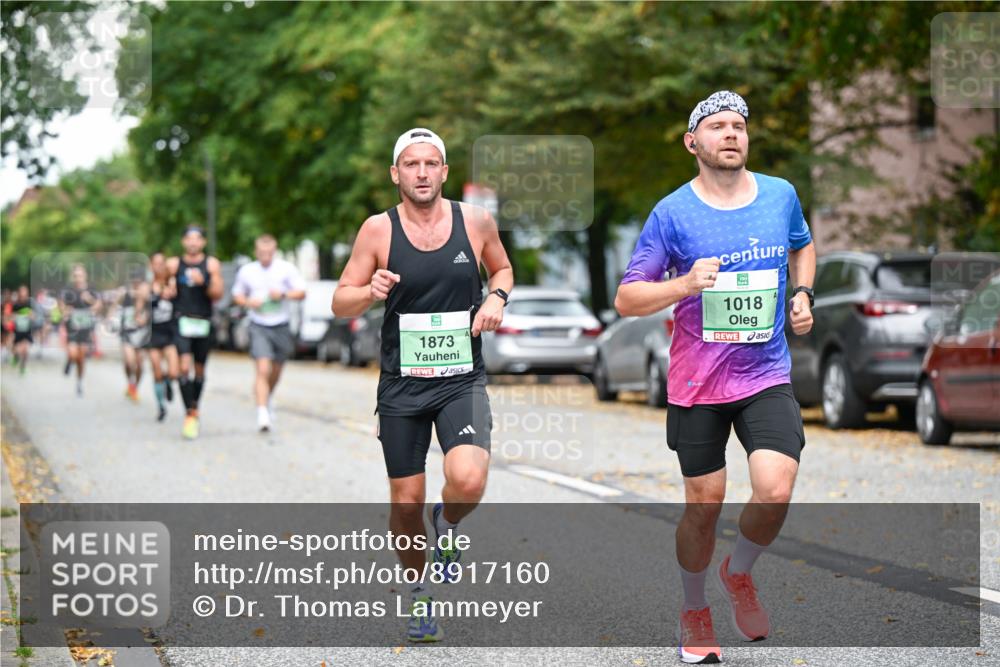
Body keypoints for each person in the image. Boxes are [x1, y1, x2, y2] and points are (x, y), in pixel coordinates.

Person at [615, 91, 816, 664]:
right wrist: (682, 285)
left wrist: (801, 294)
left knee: (775, 488)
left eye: (739, 126)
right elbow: (628, 298)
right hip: (698, 383)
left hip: (765, 372)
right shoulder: (672, 213)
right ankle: (695, 609)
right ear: (692, 142)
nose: (731, 134)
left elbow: (802, 247)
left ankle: (740, 572)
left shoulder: (780, 195)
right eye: (717, 126)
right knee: (704, 505)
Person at [332, 128, 513, 642]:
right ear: (396, 173)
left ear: (444, 171)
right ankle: (419, 595)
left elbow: (502, 268)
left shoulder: (474, 221)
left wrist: (497, 298)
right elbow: (340, 300)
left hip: (462, 380)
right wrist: (368, 290)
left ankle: (449, 523)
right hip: (402, 387)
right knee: (406, 504)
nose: (422, 172)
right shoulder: (377, 231)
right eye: (411, 164)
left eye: (431, 163)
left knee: (470, 480)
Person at [231, 234, 306, 432]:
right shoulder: (247, 271)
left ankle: (268, 396)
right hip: (258, 325)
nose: (265, 255)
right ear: (256, 252)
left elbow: (301, 292)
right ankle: (262, 413)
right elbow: (237, 295)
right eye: (261, 252)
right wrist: (248, 302)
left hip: (281, 324)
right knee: (262, 369)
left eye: (269, 252)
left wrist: (282, 294)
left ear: (274, 251)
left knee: (276, 370)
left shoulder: (286, 269)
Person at [167, 226, 224, 439]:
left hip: (203, 321)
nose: (193, 243)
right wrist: (168, 289)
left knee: (199, 370)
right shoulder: (173, 264)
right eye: (189, 239)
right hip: (181, 319)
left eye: (197, 239)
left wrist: (204, 282)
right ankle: (190, 413)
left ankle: (194, 406)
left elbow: (218, 293)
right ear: (183, 242)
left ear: (203, 242)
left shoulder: (211, 264)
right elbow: (161, 284)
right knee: (183, 367)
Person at [148, 252, 180, 422]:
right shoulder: (147, 287)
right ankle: (161, 406)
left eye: (162, 263)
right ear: (151, 266)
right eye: (156, 263)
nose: (159, 267)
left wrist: (172, 292)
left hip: (170, 334)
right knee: (157, 371)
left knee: (174, 372)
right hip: (153, 335)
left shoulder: (172, 284)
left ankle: (169, 383)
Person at [61, 265, 102, 397]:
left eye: (80, 275)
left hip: (86, 326)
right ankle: (69, 360)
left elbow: (99, 305)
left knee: (81, 357)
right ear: (73, 277)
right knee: (73, 353)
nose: (78, 278)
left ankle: (79, 381)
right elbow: (62, 304)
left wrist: (89, 300)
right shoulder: (69, 290)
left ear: (85, 276)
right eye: (76, 276)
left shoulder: (92, 289)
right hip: (73, 326)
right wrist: (66, 312)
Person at [119, 274, 151, 402]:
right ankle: (130, 383)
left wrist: (145, 318)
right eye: (135, 284)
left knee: (139, 365)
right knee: (129, 361)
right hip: (127, 334)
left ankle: (134, 388)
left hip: (142, 336)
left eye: (141, 284)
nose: (138, 287)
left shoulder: (149, 301)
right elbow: (114, 305)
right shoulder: (126, 296)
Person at [6, 285, 36, 375]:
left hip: (27, 331)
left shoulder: (30, 304)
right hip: (18, 331)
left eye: (25, 292)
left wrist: (31, 316)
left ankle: (23, 367)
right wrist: (13, 317)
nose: (23, 294)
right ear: (19, 293)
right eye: (21, 292)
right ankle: (16, 357)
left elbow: (34, 316)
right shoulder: (15, 305)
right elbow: (9, 317)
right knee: (17, 350)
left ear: (27, 293)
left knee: (25, 350)